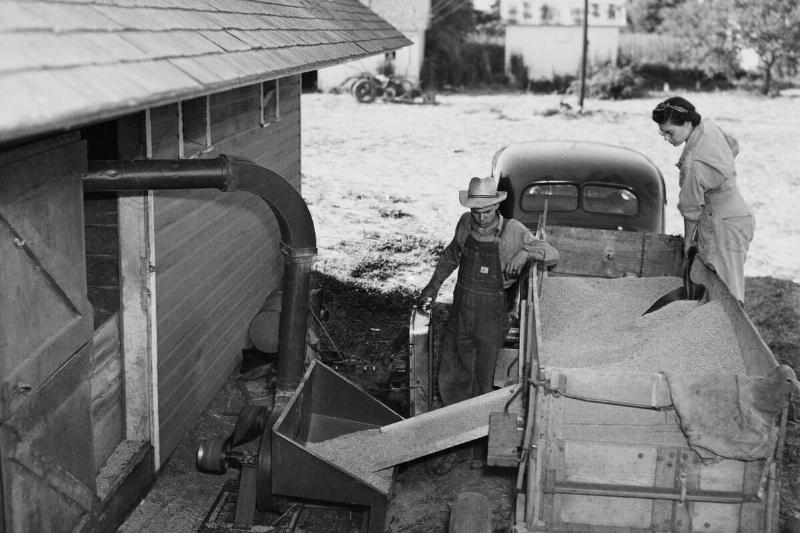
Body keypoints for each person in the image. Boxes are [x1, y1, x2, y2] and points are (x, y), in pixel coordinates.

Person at [418, 176, 559, 407]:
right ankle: (452, 416)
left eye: (487, 211)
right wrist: (433, 286)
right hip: (462, 312)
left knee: (486, 374)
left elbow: (552, 253)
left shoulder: (514, 231)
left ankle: (478, 425)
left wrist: (526, 253)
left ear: (496, 206)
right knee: (455, 366)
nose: (481, 218)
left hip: (491, 318)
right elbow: (451, 256)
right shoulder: (465, 224)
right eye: (476, 212)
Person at [651, 96, 755, 303]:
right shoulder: (708, 128)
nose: (667, 139)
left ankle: (727, 332)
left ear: (687, 123)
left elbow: (690, 209)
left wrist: (688, 242)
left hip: (724, 224)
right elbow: (733, 146)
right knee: (718, 284)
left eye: (670, 132)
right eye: (662, 134)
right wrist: (719, 176)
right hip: (736, 213)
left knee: (729, 291)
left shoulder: (694, 161)